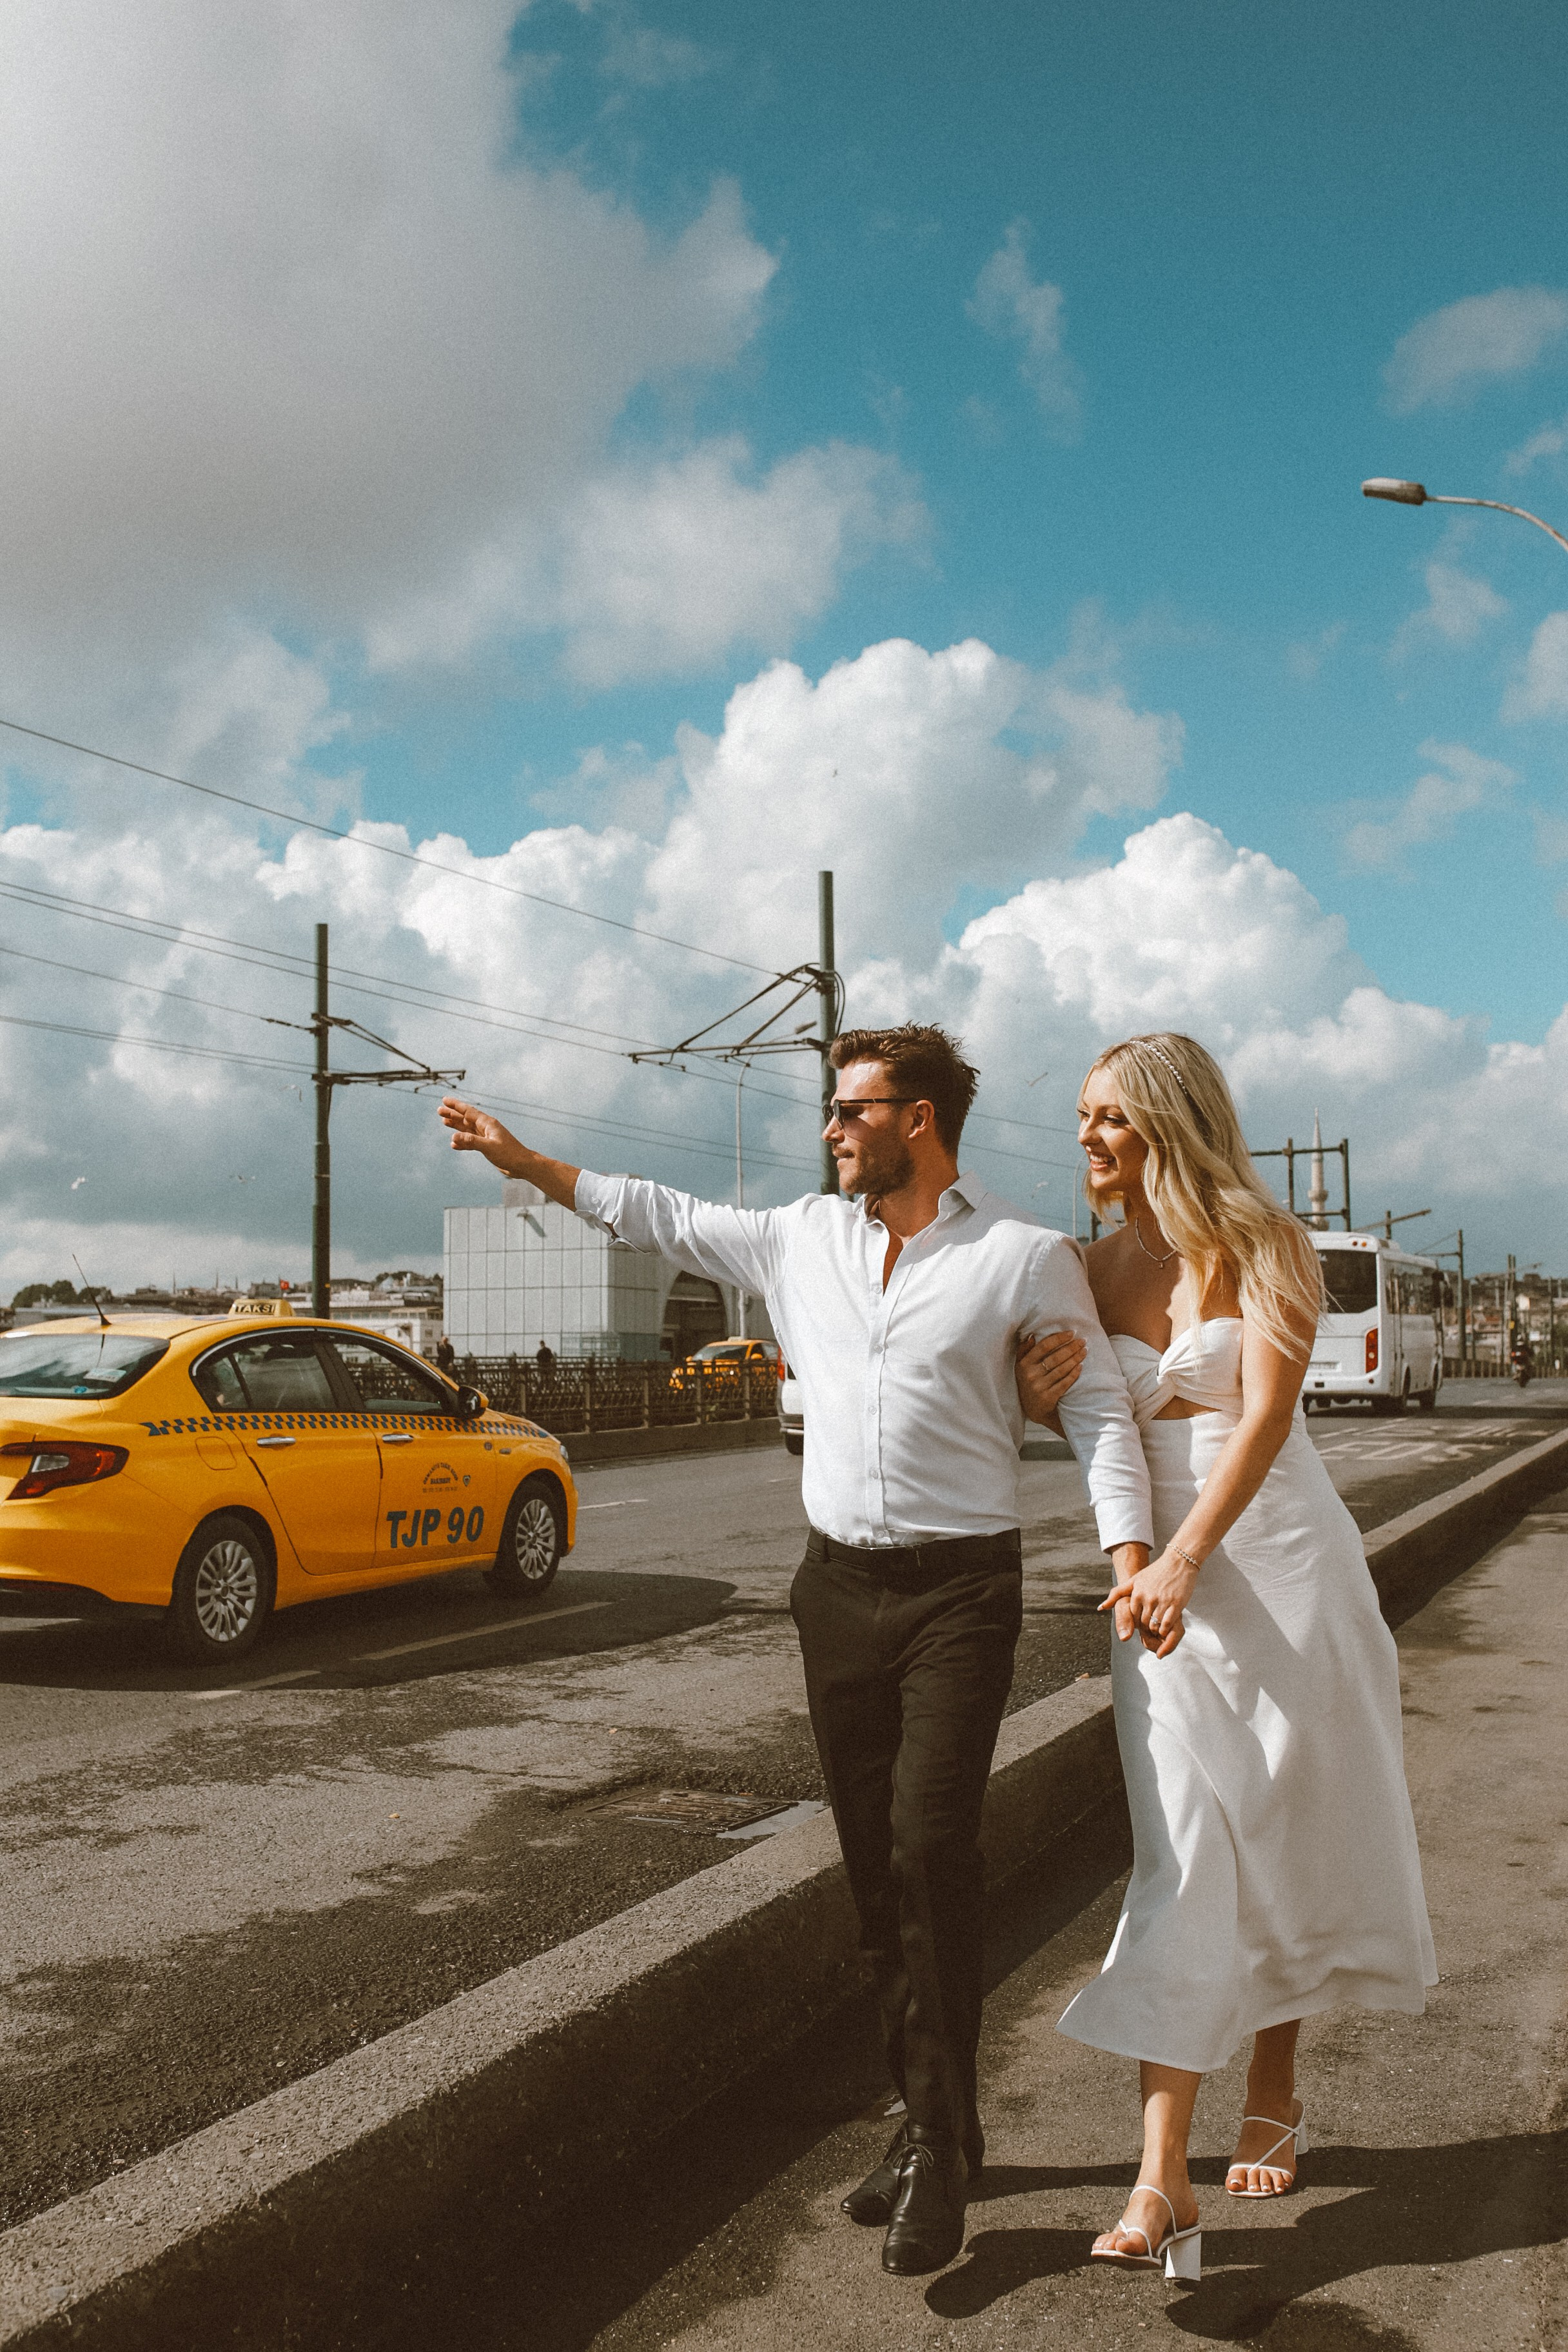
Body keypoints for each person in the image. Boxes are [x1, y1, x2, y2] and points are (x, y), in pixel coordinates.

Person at [439, 1025, 1150, 2277]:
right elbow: (652, 1214)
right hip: (835, 1594)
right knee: (877, 1871)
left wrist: (1130, 1553)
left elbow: (1090, 1404)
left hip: (956, 1596)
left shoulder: (1020, 1257)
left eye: (850, 1108)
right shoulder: (800, 1238)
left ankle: (936, 2147)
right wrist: (524, 1161)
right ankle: (937, 2124)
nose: (829, 1127)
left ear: (917, 1120)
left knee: (932, 1845)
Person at [1016, 1033, 1435, 2286]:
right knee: (1182, 1853)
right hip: (1158, 1594)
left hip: (1280, 1569)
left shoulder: (1266, 1242)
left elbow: (1262, 1416)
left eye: (1110, 1121)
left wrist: (1187, 1557)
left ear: (1172, 1125)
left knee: (1285, 1829)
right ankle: (1159, 2176)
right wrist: (1047, 1413)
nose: (1086, 1139)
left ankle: (1273, 2081)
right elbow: (1095, 1435)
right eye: (1080, 1117)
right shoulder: (1083, 1269)